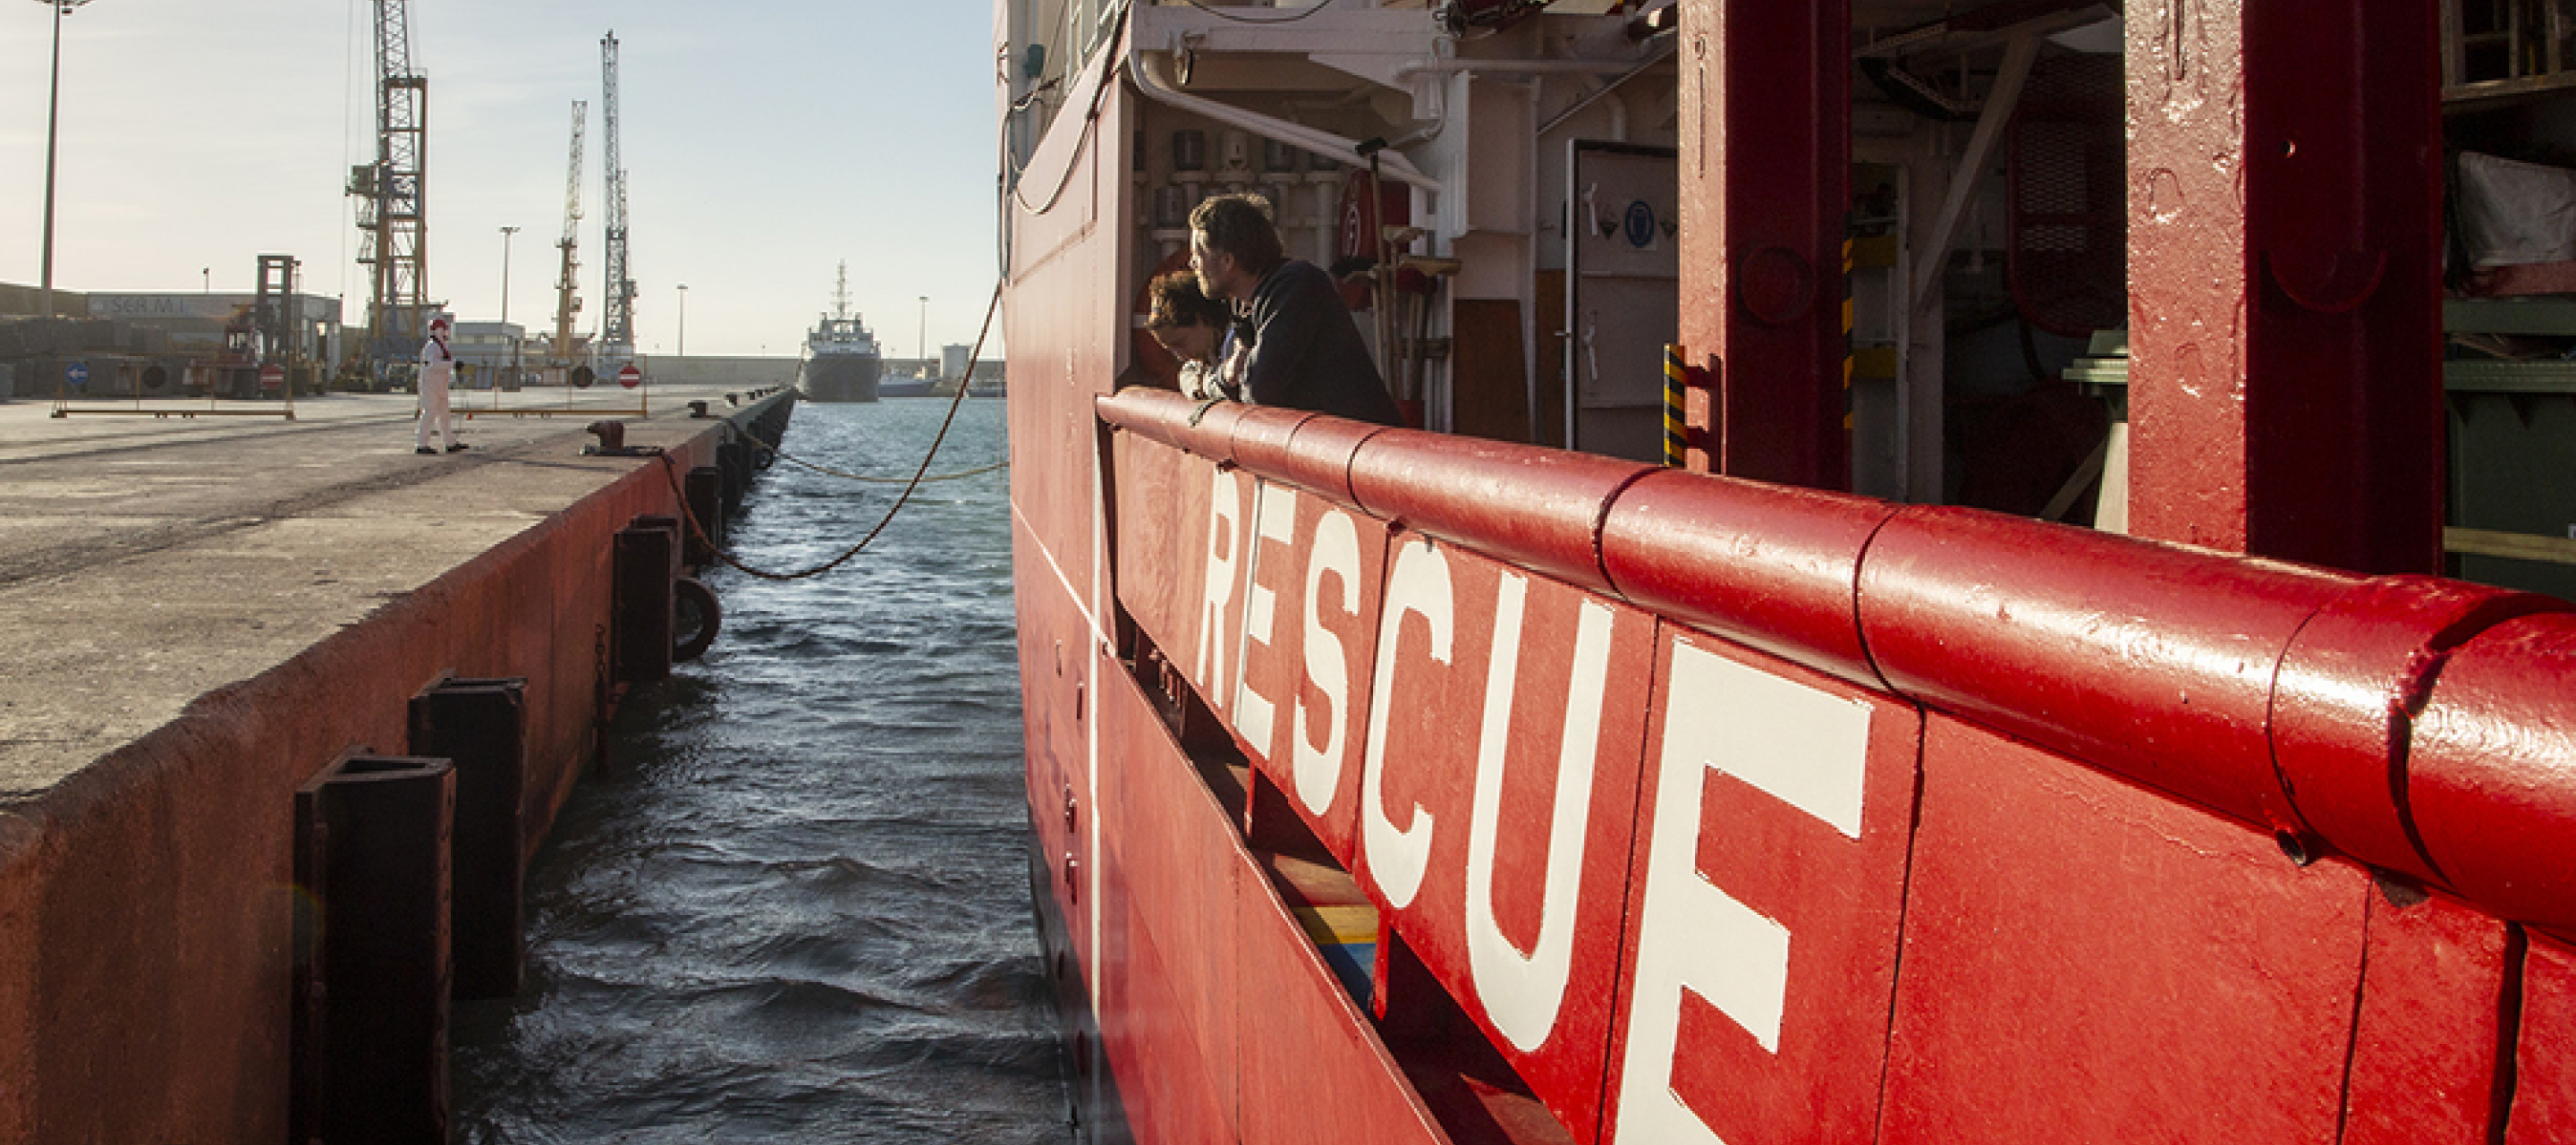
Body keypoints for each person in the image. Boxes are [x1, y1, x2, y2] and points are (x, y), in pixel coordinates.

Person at [1189, 192, 1403, 427]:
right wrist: (1224, 376)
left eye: (1198, 253)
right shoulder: (1246, 307)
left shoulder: (1297, 285)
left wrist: (1227, 378)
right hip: (1326, 446)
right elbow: (1239, 382)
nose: (1193, 264)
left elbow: (1260, 390)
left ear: (1227, 261)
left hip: (1362, 451)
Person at [1141, 270, 1242, 401]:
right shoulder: (1206, 351)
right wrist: (1196, 387)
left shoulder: (1239, 341)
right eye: (1173, 350)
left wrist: (1206, 384)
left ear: (1203, 319)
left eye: (1181, 343)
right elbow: (1187, 372)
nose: (1181, 356)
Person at [416, 316, 466, 454]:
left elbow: (442, 365)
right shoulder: (431, 347)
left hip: (440, 386)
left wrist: (453, 367)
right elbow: (433, 365)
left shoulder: (441, 346)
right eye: (444, 330)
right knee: (429, 413)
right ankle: (422, 444)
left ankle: (450, 442)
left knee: (445, 415)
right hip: (430, 386)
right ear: (438, 330)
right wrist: (453, 364)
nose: (447, 332)